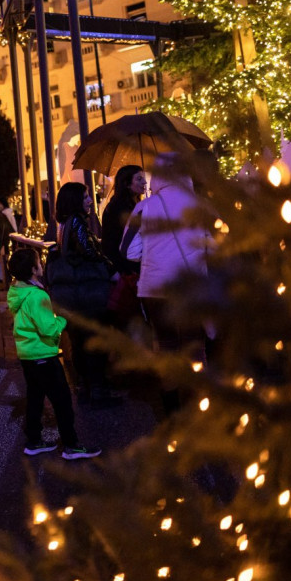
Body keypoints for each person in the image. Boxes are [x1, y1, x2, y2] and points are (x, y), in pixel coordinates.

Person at [121, 153, 210, 415]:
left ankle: (172, 410)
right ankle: (200, 405)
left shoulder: (144, 207)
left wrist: (151, 253)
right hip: (192, 288)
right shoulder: (198, 205)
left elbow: (128, 251)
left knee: (167, 345)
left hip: (156, 289)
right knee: (195, 345)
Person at [7, 248, 101, 460]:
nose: (41, 264)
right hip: (43, 355)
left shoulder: (18, 291)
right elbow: (48, 329)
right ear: (33, 269)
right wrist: (63, 319)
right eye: (38, 262)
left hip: (28, 355)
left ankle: (34, 441)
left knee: (35, 397)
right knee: (62, 400)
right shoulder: (37, 295)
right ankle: (71, 445)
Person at [49, 183, 119, 406]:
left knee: (79, 341)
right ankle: (98, 391)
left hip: (71, 296)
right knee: (92, 341)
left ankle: (84, 387)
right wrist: (110, 267)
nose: (90, 201)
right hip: (86, 294)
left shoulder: (64, 223)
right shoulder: (78, 222)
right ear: (75, 200)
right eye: (86, 197)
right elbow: (89, 252)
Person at [101, 165, 146, 274]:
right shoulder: (120, 208)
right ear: (127, 184)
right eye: (139, 179)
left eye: (143, 178)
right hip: (123, 266)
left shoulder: (133, 204)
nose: (144, 182)